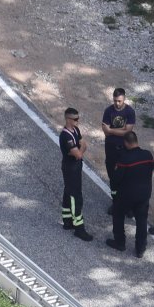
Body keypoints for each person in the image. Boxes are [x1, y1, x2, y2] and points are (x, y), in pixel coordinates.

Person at [106, 131, 154, 258]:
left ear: (126, 143)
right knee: (142, 220)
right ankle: (140, 248)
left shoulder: (124, 159)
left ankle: (120, 242)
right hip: (144, 194)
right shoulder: (148, 155)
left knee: (118, 215)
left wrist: (115, 193)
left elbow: (116, 178)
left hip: (126, 195)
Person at [58, 107, 93, 242]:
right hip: (70, 168)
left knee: (68, 192)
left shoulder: (76, 130)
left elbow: (83, 145)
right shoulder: (66, 136)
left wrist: (80, 148)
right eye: (75, 119)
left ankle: (67, 221)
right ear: (68, 119)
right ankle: (79, 227)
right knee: (75, 197)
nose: (78, 121)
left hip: (76, 166)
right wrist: (81, 148)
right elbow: (78, 153)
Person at [101, 88, 136, 213]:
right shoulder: (108, 111)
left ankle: (128, 205)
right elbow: (105, 130)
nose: (117, 103)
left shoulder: (130, 112)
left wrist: (111, 131)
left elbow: (128, 131)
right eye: (115, 101)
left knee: (126, 177)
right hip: (110, 149)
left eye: (119, 101)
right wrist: (118, 131)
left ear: (124, 99)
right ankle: (115, 202)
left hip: (124, 150)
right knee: (113, 177)